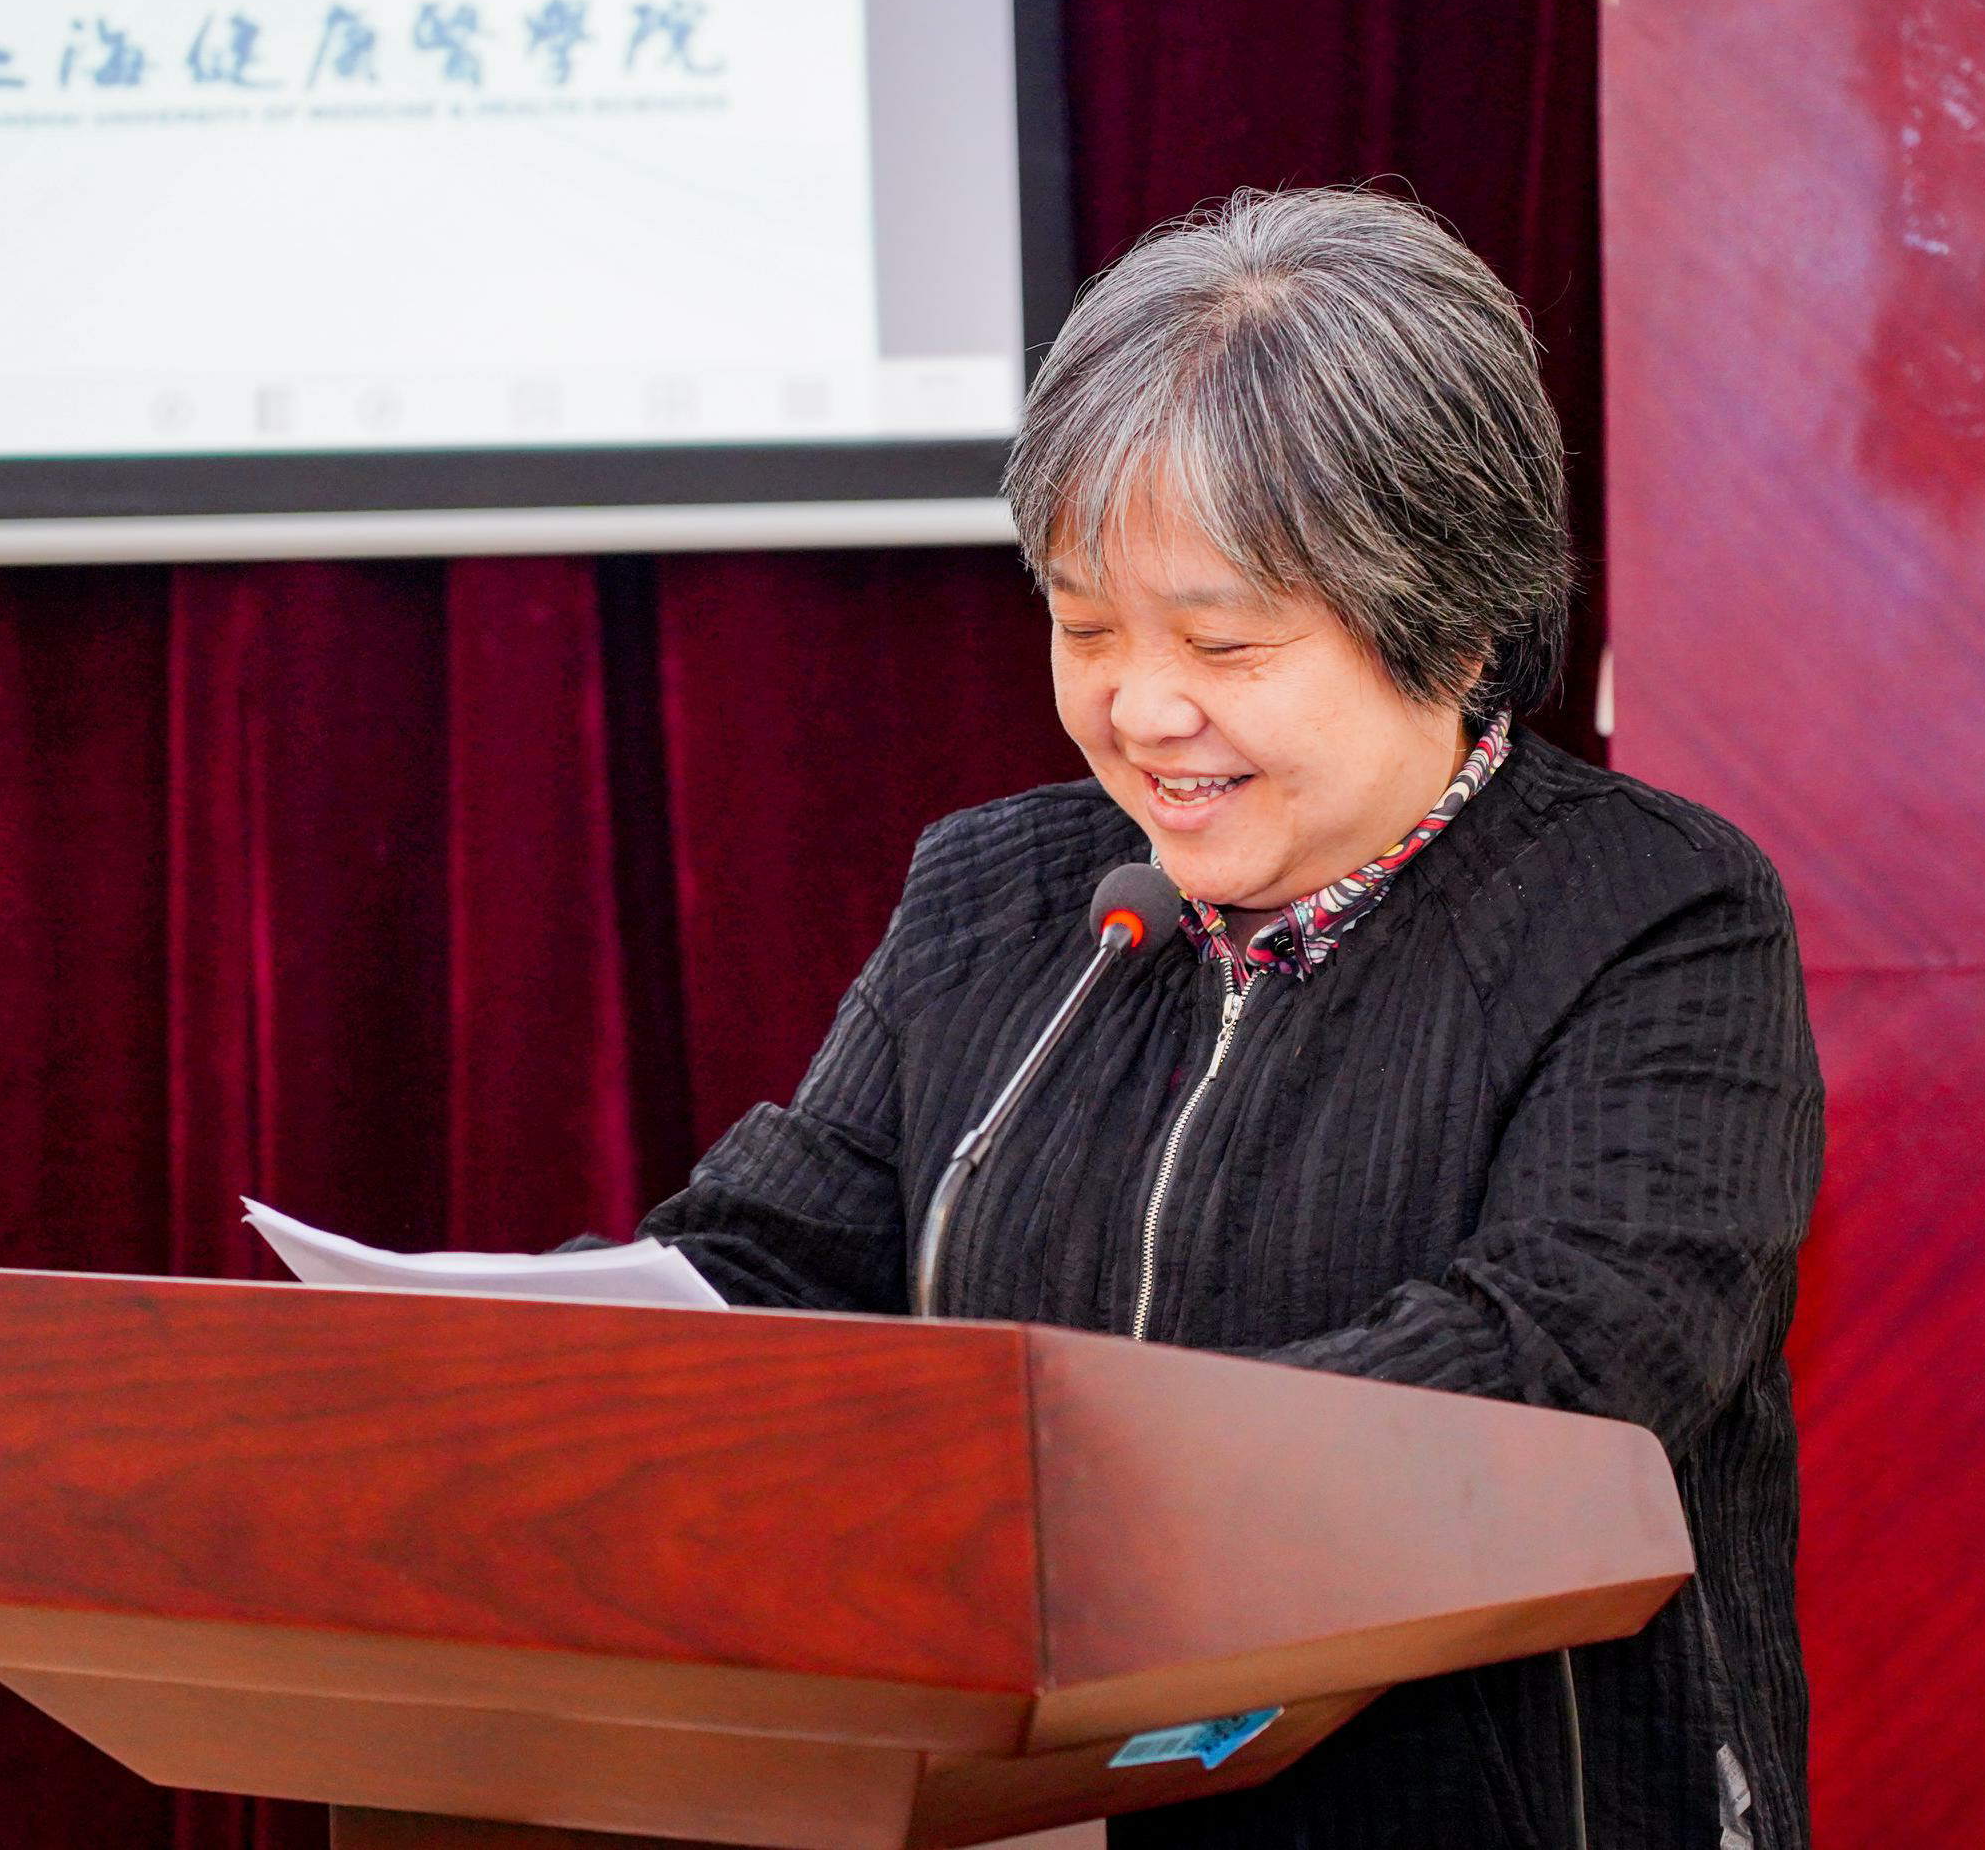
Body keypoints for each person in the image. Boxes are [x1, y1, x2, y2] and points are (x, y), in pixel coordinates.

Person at [635, 186, 1823, 1849]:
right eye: (1084, 625)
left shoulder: (1650, 915)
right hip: (1020, 1816)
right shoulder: (1000, 893)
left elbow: (1554, 1368)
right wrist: (553, 1354)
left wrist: (1071, 1494)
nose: (1139, 706)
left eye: (1225, 640)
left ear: (1449, 621)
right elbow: (772, 1259)